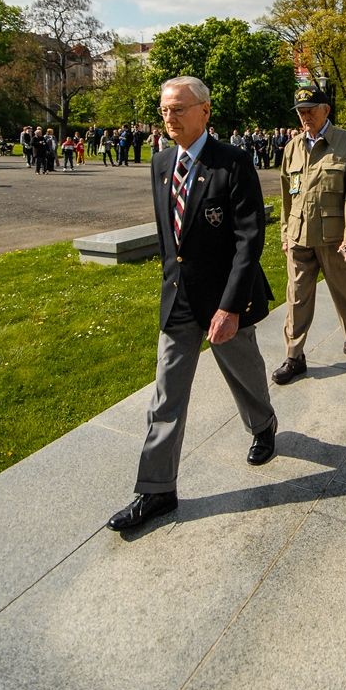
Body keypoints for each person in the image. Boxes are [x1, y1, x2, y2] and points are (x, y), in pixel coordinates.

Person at [107, 75, 277, 532]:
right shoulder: (161, 162)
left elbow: (248, 239)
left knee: (245, 372)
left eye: (179, 109)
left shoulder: (233, 162)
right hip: (180, 299)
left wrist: (230, 307)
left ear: (205, 111)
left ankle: (263, 425)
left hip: (224, 299)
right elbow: (170, 238)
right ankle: (157, 489)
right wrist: (170, 288)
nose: (170, 117)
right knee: (166, 393)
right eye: (164, 110)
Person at [272, 84, 346, 384]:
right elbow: (286, 196)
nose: (305, 117)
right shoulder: (292, 147)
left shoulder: (345, 141)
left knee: (343, 291)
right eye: (300, 112)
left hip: (334, 238)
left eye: (310, 111)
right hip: (300, 235)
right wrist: (285, 233)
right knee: (296, 297)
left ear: (326, 110)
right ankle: (294, 356)